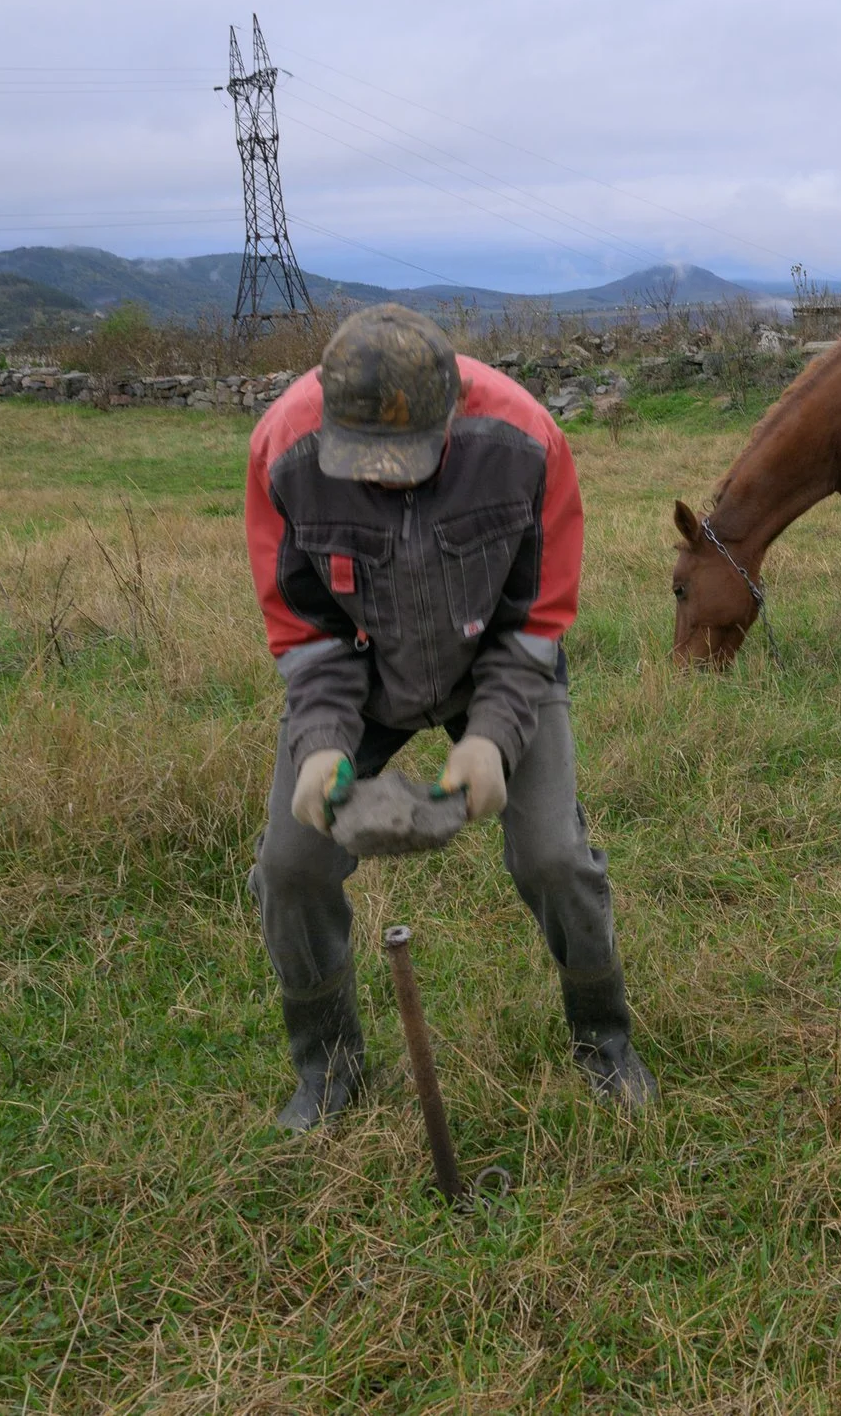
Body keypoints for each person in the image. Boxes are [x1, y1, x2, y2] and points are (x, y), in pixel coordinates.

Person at [242, 304, 655, 1130]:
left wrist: (492, 738)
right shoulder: (282, 452)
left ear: (455, 406)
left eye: (410, 461)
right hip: (359, 677)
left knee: (554, 857)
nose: (388, 478)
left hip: (498, 666)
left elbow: (536, 620)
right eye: (366, 464)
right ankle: (329, 1067)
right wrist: (324, 747)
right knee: (291, 866)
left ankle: (602, 1037)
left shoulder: (528, 440)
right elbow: (307, 633)